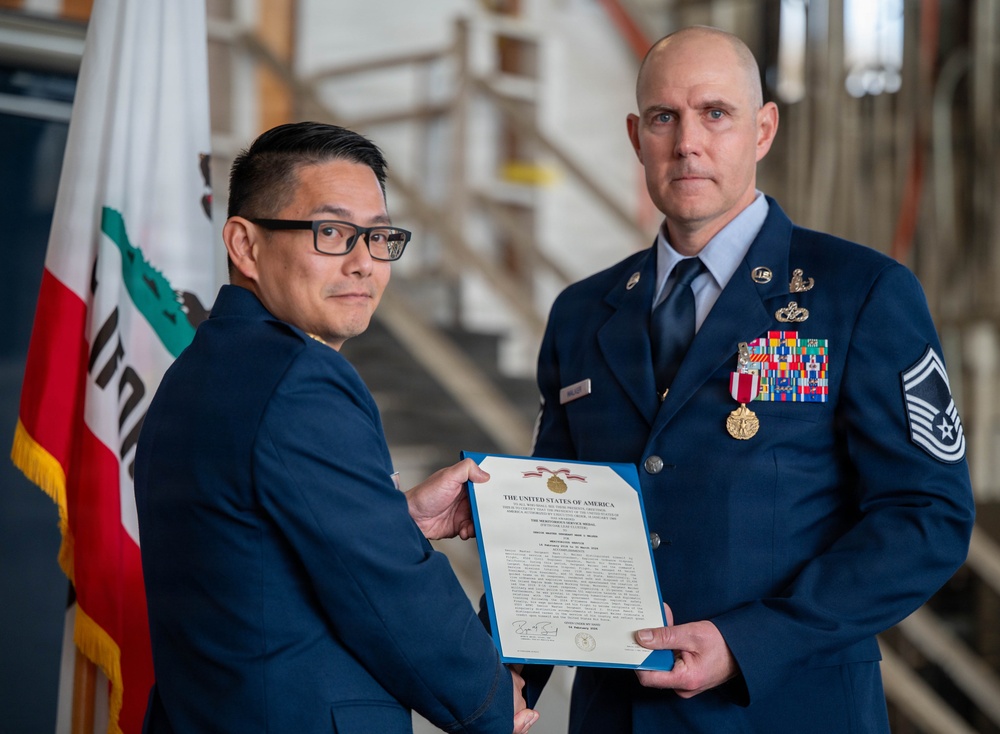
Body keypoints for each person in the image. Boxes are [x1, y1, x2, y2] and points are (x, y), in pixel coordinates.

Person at [529, 26, 975, 732]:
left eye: (716, 113)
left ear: (763, 129)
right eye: (663, 118)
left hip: (787, 707)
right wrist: (508, 684)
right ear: (635, 135)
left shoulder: (859, 293)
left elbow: (927, 517)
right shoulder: (583, 313)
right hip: (617, 715)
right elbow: (550, 519)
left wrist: (747, 641)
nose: (687, 143)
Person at [134, 121, 538, 734]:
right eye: (331, 233)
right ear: (245, 245)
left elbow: (261, 554)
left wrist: (392, 518)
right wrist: (487, 697)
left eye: (378, 238)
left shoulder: (198, 369)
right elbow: (389, 590)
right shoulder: (301, 378)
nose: (363, 264)